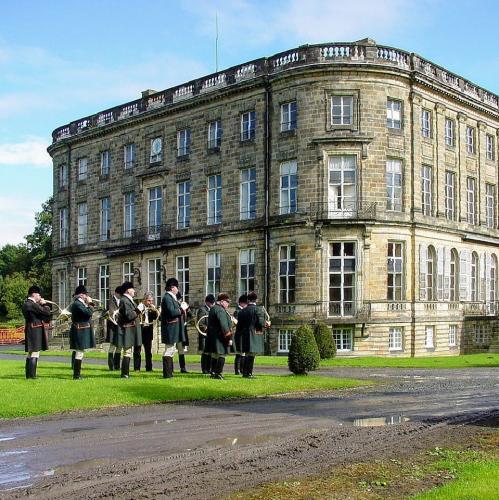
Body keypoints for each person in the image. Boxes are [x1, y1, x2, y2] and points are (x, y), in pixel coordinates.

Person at [21, 285, 51, 379]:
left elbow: (43, 316)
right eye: (38, 294)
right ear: (34, 294)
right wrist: (44, 304)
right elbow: (46, 312)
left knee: (30, 352)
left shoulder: (27, 303)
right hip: (35, 330)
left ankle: (29, 375)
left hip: (32, 329)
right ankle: (32, 376)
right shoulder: (32, 304)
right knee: (35, 352)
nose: (40, 296)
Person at [160, 278, 186, 378]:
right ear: (172, 287)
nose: (177, 289)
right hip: (170, 327)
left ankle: (169, 373)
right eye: (176, 287)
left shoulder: (171, 297)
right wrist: (181, 309)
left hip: (173, 327)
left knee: (171, 350)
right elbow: (172, 312)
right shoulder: (167, 298)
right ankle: (167, 374)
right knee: (169, 349)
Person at [236, 291, 266, 378]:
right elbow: (260, 323)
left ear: (248, 300)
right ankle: (248, 373)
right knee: (251, 355)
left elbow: (239, 327)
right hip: (254, 334)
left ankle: (245, 373)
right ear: (256, 299)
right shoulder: (258, 310)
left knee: (246, 354)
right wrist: (266, 324)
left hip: (244, 335)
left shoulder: (242, 311)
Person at [68, 285, 96, 380]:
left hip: (82, 330)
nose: (86, 297)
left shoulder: (80, 303)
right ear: (80, 295)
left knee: (80, 353)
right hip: (79, 331)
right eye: (85, 295)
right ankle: (76, 375)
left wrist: (88, 304)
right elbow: (88, 313)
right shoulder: (77, 304)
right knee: (79, 353)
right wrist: (90, 303)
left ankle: (77, 374)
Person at [116, 282, 142, 378]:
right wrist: (138, 309)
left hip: (131, 328)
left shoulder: (128, 300)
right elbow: (129, 315)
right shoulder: (124, 300)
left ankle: (126, 373)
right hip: (128, 329)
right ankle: (124, 373)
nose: (134, 291)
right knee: (127, 351)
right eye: (132, 289)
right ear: (128, 290)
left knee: (128, 351)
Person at [206, 293, 233, 380]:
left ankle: (213, 372)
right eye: (227, 302)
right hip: (220, 337)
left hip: (213, 336)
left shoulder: (213, 309)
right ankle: (218, 373)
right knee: (222, 354)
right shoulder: (220, 310)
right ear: (221, 301)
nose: (228, 304)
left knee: (214, 355)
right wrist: (228, 336)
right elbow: (224, 324)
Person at [134, 292, 159, 372]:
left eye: (151, 301)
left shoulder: (151, 309)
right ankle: (137, 368)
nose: (150, 302)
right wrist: (139, 309)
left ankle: (149, 368)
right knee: (137, 350)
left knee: (148, 351)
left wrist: (155, 310)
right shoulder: (140, 306)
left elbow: (156, 317)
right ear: (144, 300)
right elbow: (134, 315)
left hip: (148, 330)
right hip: (140, 330)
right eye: (149, 301)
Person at [197, 294, 215, 374]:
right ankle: (204, 369)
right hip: (204, 335)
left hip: (211, 335)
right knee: (205, 352)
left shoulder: (212, 310)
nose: (212, 304)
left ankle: (209, 368)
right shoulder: (202, 310)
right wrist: (208, 329)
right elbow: (201, 323)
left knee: (210, 352)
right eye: (211, 303)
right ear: (207, 302)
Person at [106, 286, 122, 371]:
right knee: (112, 346)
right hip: (112, 326)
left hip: (119, 326)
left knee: (119, 345)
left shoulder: (121, 300)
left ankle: (117, 365)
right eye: (120, 294)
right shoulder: (111, 301)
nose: (121, 295)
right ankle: (111, 366)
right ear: (116, 293)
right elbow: (112, 313)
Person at [232, 294, 248, 375]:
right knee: (239, 353)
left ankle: (241, 369)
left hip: (243, 334)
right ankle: (237, 370)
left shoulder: (242, 311)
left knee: (243, 353)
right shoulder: (237, 311)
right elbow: (237, 323)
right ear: (242, 303)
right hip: (239, 334)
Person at [176, 292, 191, 374]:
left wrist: (187, 309)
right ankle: (182, 367)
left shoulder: (183, 305)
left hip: (183, 329)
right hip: (178, 330)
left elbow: (190, 315)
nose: (180, 301)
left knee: (182, 349)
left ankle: (183, 367)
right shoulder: (176, 306)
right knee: (180, 349)